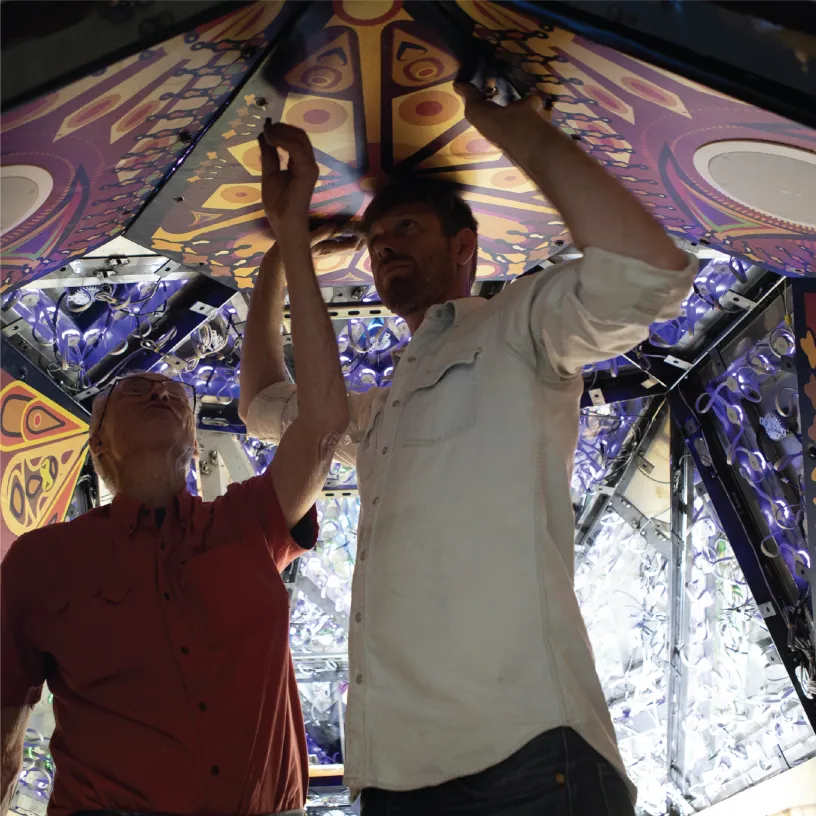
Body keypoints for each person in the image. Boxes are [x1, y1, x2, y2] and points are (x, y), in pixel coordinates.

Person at [240, 83, 697, 816]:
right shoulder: (380, 417)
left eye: (408, 228)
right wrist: (277, 257)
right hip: (394, 779)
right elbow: (265, 404)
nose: (385, 245)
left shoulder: (519, 330)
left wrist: (510, 127)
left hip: (525, 755)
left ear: (464, 248)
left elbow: (646, 274)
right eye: (376, 241)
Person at [0, 121, 349, 816]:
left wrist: (285, 258)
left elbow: (322, 423)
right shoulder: (42, 564)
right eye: (133, 390)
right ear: (99, 445)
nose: (161, 389)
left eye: (175, 396)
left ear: (195, 441)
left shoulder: (249, 523)